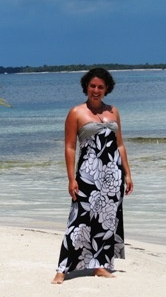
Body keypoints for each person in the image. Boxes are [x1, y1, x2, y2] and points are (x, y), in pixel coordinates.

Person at [51, 67, 134, 284]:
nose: (96, 90)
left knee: (107, 220)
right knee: (78, 220)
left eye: (100, 87)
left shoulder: (113, 111)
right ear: (86, 87)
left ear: (107, 89)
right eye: (92, 86)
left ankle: (100, 265)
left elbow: (121, 144)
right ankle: (63, 269)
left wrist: (127, 174)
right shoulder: (76, 113)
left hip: (113, 174)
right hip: (87, 174)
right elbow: (70, 147)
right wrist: (71, 178)